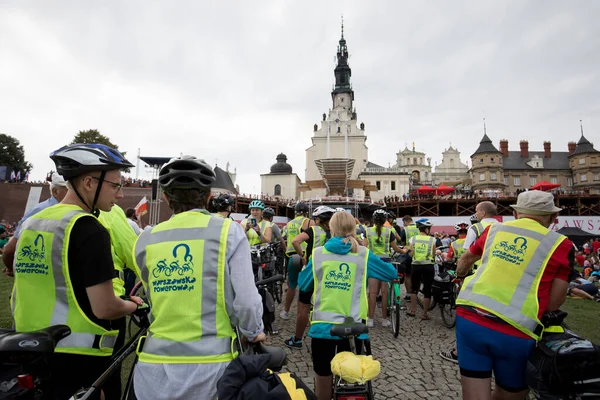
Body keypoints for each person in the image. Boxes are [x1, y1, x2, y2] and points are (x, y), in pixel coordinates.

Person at [11, 143, 143, 399]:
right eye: (115, 186)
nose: (120, 196)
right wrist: (132, 305)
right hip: (80, 356)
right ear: (89, 183)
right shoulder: (89, 229)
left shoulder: (32, 223)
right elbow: (105, 307)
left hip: (31, 349)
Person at [132, 155, 265, 400]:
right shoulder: (228, 232)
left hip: (153, 368)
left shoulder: (146, 238)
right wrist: (253, 330)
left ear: (166, 198)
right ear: (207, 197)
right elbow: (246, 300)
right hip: (212, 367)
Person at [455, 190, 573, 399]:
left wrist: (460, 276)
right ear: (554, 217)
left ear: (517, 213)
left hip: (471, 317)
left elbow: (465, 260)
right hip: (517, 328)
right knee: (511, 393)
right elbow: (555, 302)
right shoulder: (561, 244)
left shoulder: (494, 230)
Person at [297, 211, 396, 400]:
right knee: (351, 377)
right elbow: (391, 273)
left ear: (331, 229)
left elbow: (303, 283)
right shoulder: (362, 255)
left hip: (322, 328)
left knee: (323, 376)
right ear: (353, 229)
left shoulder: (318, 255)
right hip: (353, 327)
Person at [284, 205, 335, 350]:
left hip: (313, 270)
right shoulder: (335, 232)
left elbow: (295, 241)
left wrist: (303, 256)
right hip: (330, 271)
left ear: (318, 219)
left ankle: (297, 340)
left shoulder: (313, 230)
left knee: (303, 307)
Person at [2, 172, 69, 274]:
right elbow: (9, 250)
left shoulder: (41, 209)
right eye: (68, 190)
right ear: (55, 191)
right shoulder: (40, 211)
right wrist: (12, 268)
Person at [366, 209, 403, 327]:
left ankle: (370, 319)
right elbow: (396, 248)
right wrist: (405, 250)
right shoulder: (389, 232)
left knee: (372, 293)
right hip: (386, 263)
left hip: (373, 263)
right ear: (385, 220)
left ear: (373, 220)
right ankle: (384, 319)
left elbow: (364, 247)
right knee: (385, 292)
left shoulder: (368, 231)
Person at [280, 202, 314, 320]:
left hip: (292, 257)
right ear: (306, 212)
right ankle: (306, 312)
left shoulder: (289, 223)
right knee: (308, 285)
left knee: (292, 285)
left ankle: (286, 311)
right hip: (305, 256)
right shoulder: (308, 222)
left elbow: (284, 237)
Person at [407, 219, 436, 320]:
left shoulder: (413, 239)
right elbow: (434, 253)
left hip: (416, 266)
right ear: (426, 229)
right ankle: (425, 314)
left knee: (414, 289)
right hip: (428, 266)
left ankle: (413, 311)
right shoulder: (432, 240)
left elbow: (411, 254)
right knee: (427, 290)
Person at [464, 201, 498, 271]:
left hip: (479, 269)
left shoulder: (475, 228)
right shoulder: (503, 226)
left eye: (476, 211)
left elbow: (467, 252)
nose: (475, 214)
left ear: (483, 213)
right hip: (496, 268)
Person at [400, 215, 420, 300]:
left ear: (405, 222)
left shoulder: (405, 229)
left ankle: (408, 294)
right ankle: (415, 294)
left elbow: (402, 242)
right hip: (419, 253)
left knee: (408, 275)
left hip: (408, 254)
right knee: (417, 275)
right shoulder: (419, 228)